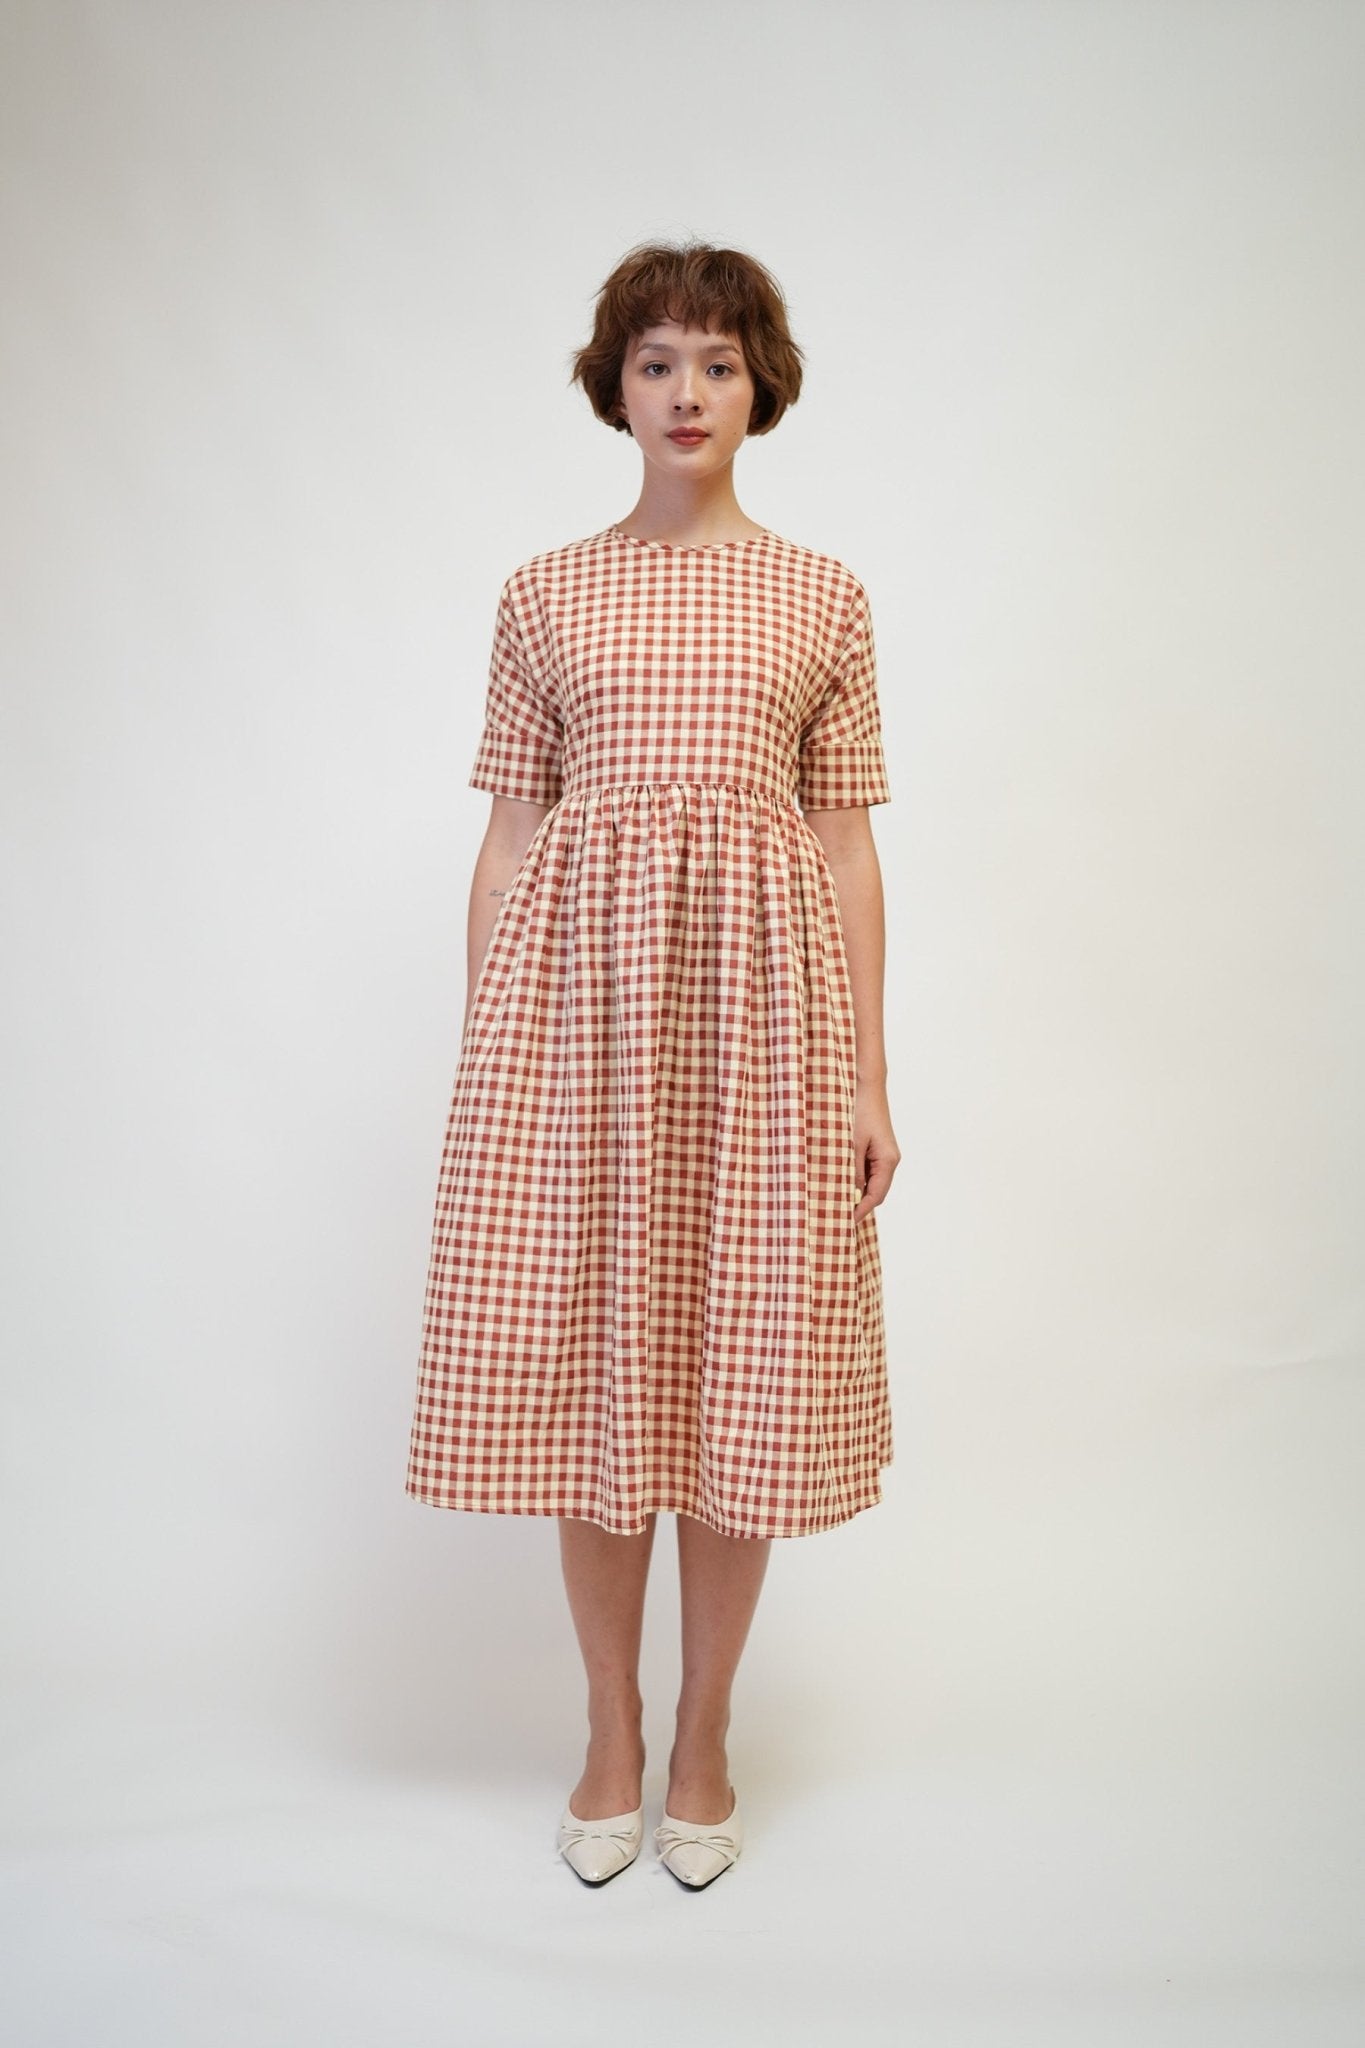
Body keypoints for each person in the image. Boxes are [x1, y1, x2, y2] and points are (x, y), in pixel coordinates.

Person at [406, 241, 899, 1890]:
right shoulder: (544, 591)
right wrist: (492, 1057)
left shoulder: (824, 595)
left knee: (744, 1373)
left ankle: (705, 1733)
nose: (688, 392)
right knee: (598, 1379)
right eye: (657, 362)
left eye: (718, 364)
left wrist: (866, 1077)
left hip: (762, 1034)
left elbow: (843, 848)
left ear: (761, 388)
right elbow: (509, 836)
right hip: (582, 1036)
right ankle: (609, 1726)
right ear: (613, 388)